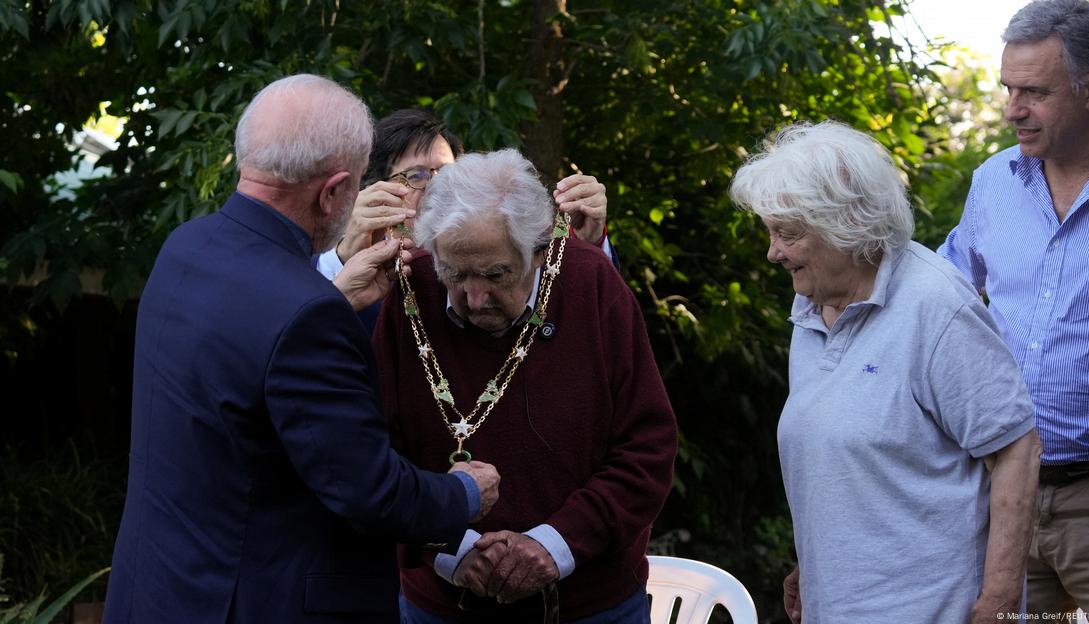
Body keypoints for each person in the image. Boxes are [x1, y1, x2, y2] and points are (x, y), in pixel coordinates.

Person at [103, 74, 500, 623]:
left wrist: (335, 298)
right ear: (334, 191)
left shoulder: (186, 248)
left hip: (161, 589)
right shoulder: (306, 312)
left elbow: (248, 396)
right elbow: (367, 490)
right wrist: (461, 495)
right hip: (255, 602)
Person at [730, 121, 1042, 623]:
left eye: (788, 233)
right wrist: (814, 563)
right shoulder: (811, 306)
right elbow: (849, 458)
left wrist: (1000, 602)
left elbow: (1016, 449)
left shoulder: (935, 306)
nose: (773, 252)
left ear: (846, 225)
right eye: (770, 232)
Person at [374, 148, 677, 623]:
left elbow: (647, 448)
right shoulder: (411, 290)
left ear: (538, 252)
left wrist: (554, 545)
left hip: (590, 605)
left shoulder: (590, 283)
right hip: (442, 604)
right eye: (455, 274)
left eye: (496, 275)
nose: (475, 298)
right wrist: (451, 547)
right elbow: (376, 457)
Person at [938, 0, 1089, 615]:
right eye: (1009, 88)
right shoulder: (993, 183)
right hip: (1000, 496)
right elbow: (942, 298)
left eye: (1033, 92)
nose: (1013, 109)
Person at [315, 108, 616, 292]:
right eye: (417, 175)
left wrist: (590, 244)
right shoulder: (329, 267)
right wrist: (342, 259)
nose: (438, 188)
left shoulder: (507, 249)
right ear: (375, 191)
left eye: (447, 173)